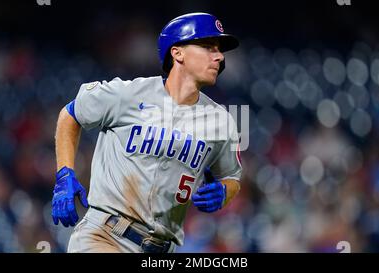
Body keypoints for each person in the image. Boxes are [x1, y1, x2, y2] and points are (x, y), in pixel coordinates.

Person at [51, 12, 243, 253]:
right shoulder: (128, 94)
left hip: (163, 249)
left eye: (219, 50)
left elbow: (232, 177)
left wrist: (224, 192)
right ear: (177, 53)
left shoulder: (221, 122)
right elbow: (71, 115)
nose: (219, 57)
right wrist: (64, 175)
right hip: (105, 236)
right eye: (208, 47)